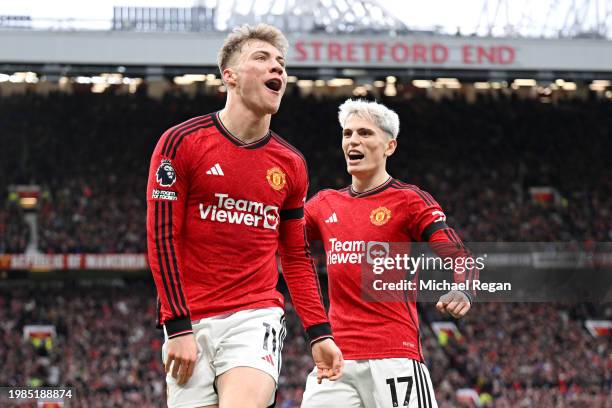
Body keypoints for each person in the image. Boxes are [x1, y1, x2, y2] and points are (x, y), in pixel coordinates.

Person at [146, 23, 343, 408]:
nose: (278, 69)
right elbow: (162, 238)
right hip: (191, 319)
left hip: (256, 316)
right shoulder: (180, 143)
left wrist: (320, 333)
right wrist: (178, 327)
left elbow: (297, 257)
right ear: (229, 76)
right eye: (263, 58)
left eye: (281, 63)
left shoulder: (291, 164)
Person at [301, 99, 477, 408]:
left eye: (366, 133)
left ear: (389, 146)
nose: (353, 140)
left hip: (394, 357)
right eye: (347, 134)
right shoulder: (323, 205)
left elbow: (460, 255)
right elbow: (271, 239)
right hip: (337, 359)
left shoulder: (409, 201)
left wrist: (464, 288)